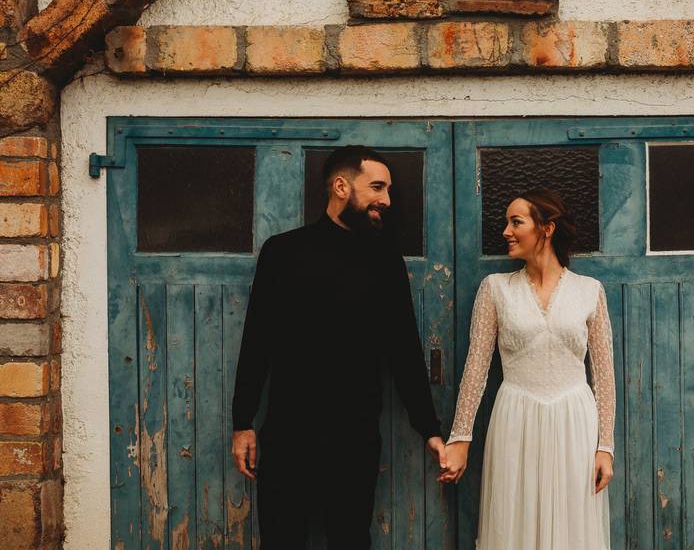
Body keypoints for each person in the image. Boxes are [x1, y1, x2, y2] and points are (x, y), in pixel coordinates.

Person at [231, 145, 446, 549]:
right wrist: (242, 421)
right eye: (377, 187)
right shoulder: (283, 252)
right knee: (282, 540)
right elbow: (258, 339)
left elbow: (404, 352)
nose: (387, 200)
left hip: (354, 437)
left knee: (350, 539)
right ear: (342, 186)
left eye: (389, 190)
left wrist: (429, 428)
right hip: (288, 434)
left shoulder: (385, 261)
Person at [440, 187, 615, 549]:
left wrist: (605, 447)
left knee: (572, 529)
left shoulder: (589, 290)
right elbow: (476, 368)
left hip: (575, 423)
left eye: (515, 222)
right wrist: (460, 438)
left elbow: (604, 374)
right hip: (515, 419)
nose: (505, 231)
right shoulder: (495, 289)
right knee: (512, 524)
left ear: (546, 228)